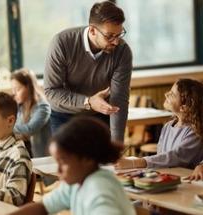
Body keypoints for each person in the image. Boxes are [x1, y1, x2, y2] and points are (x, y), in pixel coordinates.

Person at [8, 116, 136, 215]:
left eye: (62, 162)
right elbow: (43, 207)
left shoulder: (99, 190)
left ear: (87, 159)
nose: (58, 170)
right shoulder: (76, 182)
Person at [44, 1, 132, 142]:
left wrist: (117, 144)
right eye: (110, 36)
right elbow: (51, 91)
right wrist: (88, 102)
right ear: (92, 30)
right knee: (69, 162)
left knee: (104, 161)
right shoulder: (62, 43)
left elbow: (119, 99)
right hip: (64, 115)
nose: (116, 42)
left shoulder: (122, 51)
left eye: (119, 34)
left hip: (100, 114)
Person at [115, 79, 203, 169]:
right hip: (172, 177)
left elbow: (175, 157)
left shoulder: (197, 132)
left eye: (172, 94)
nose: (166, 94)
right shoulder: (168, 126)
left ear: (184, 107)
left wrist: (135, 162)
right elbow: (162, 156)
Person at [11, 68, 51, 157]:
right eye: (13, 89)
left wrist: (6, 126)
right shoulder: (20, 106)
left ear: (29, 87)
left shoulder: (43, 107)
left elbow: (30, 129)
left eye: (17, 89)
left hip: (40, 157)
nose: (14, 93)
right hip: (24, 152)